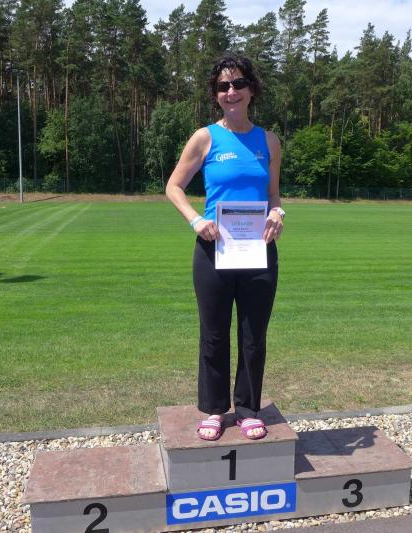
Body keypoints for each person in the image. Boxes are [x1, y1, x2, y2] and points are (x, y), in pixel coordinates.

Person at [165, 53, 284, 441]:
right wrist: (196, 220)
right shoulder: (205, 138)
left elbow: (273, 195)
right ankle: (214, 409)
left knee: (253, 336)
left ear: (251, 89)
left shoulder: (269, 141)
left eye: (238, 84)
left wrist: (277, 213)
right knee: (214, 334)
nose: (231, 91)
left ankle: (248, 409)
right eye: (222, 86)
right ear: (216, 94)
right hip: (212, 248)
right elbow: (174, 186)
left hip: (258, 250)